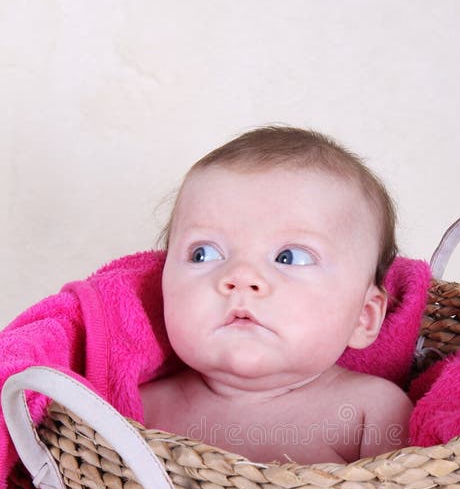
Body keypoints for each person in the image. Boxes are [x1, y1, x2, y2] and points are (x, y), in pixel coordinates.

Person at [140, 125, 413, 463]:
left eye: (290, 257)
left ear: (363, 316)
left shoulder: (369, 414)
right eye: (203, 254)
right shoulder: (136, 408)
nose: (240, 276)